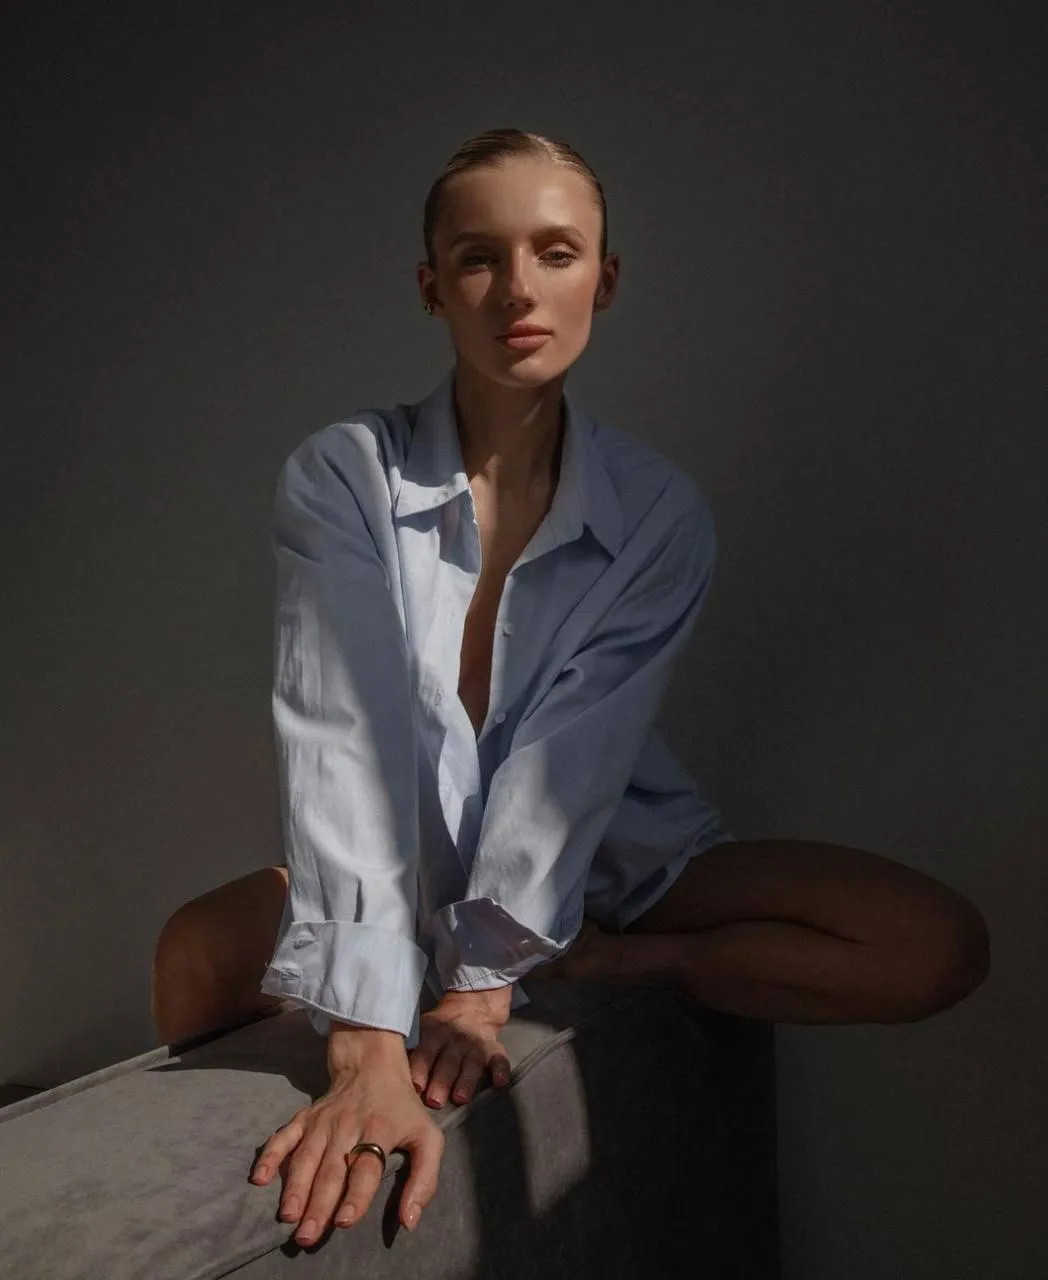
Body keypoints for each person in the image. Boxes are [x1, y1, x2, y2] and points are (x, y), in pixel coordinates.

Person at [151, 128, 991, 1247]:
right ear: (431, 287)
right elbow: (336, 728)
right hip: (400, 868)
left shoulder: (657, 512)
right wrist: (365, 1042)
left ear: (605, 276)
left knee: (931, 941)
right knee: (192, 958)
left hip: (603, 863)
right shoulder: (341, 471)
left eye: (555, 252)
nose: (517, 289)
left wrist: (485, 983)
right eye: (477, 258)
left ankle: (618, 960)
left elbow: (568, 756)